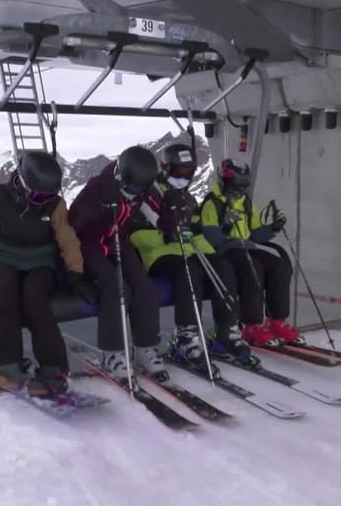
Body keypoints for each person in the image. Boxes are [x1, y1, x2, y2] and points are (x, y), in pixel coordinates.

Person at [0, 150, 96, 396]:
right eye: (37, 195)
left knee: (36, 302)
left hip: (40, 259)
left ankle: (53, 369)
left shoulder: (55, 206)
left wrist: (76, 275)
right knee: (2, 295)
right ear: (23, 183)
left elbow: (67, 239)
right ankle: (7, 363)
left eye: (48, 197)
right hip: (4, 255)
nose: (41, 202)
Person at [129, 144, 256, 373]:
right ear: (165, 168)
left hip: (187, 251)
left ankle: (226, 330)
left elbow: (196, 232)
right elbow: (135, 235)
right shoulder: (150, 195)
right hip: (159, 255)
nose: (183, 177)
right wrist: (166, 236)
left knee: (222, 266)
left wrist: (211, 254)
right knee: (189, 271)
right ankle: (185, 338)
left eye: (189, 172)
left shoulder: (187, 199)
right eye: (178, 172)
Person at [68, 145, 165, 383]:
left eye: (139, 190)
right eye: (131, 189)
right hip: (90, 246)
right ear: (121, 175)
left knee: (144, 288)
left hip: (118, 243)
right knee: (117, 288)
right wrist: (99, 207)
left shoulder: (142, 188)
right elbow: (74, 221)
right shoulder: (98, 187)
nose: (134, 194)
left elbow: (159, 213)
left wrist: (172, 219)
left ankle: (145, 349)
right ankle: (112, 354)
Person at [199, 158, 304, 348]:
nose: (239, 190)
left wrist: (273, 227)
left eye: (243, 186)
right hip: (225, 251)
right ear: (224, 181)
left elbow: (255, 234)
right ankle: (252, 325)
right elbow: (210, 238)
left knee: (279, 266)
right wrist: (226, 226)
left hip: (247, 247)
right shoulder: (211, 203)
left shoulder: (245, 202)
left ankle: (277, 321)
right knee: (252, 268)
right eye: (236, 186)